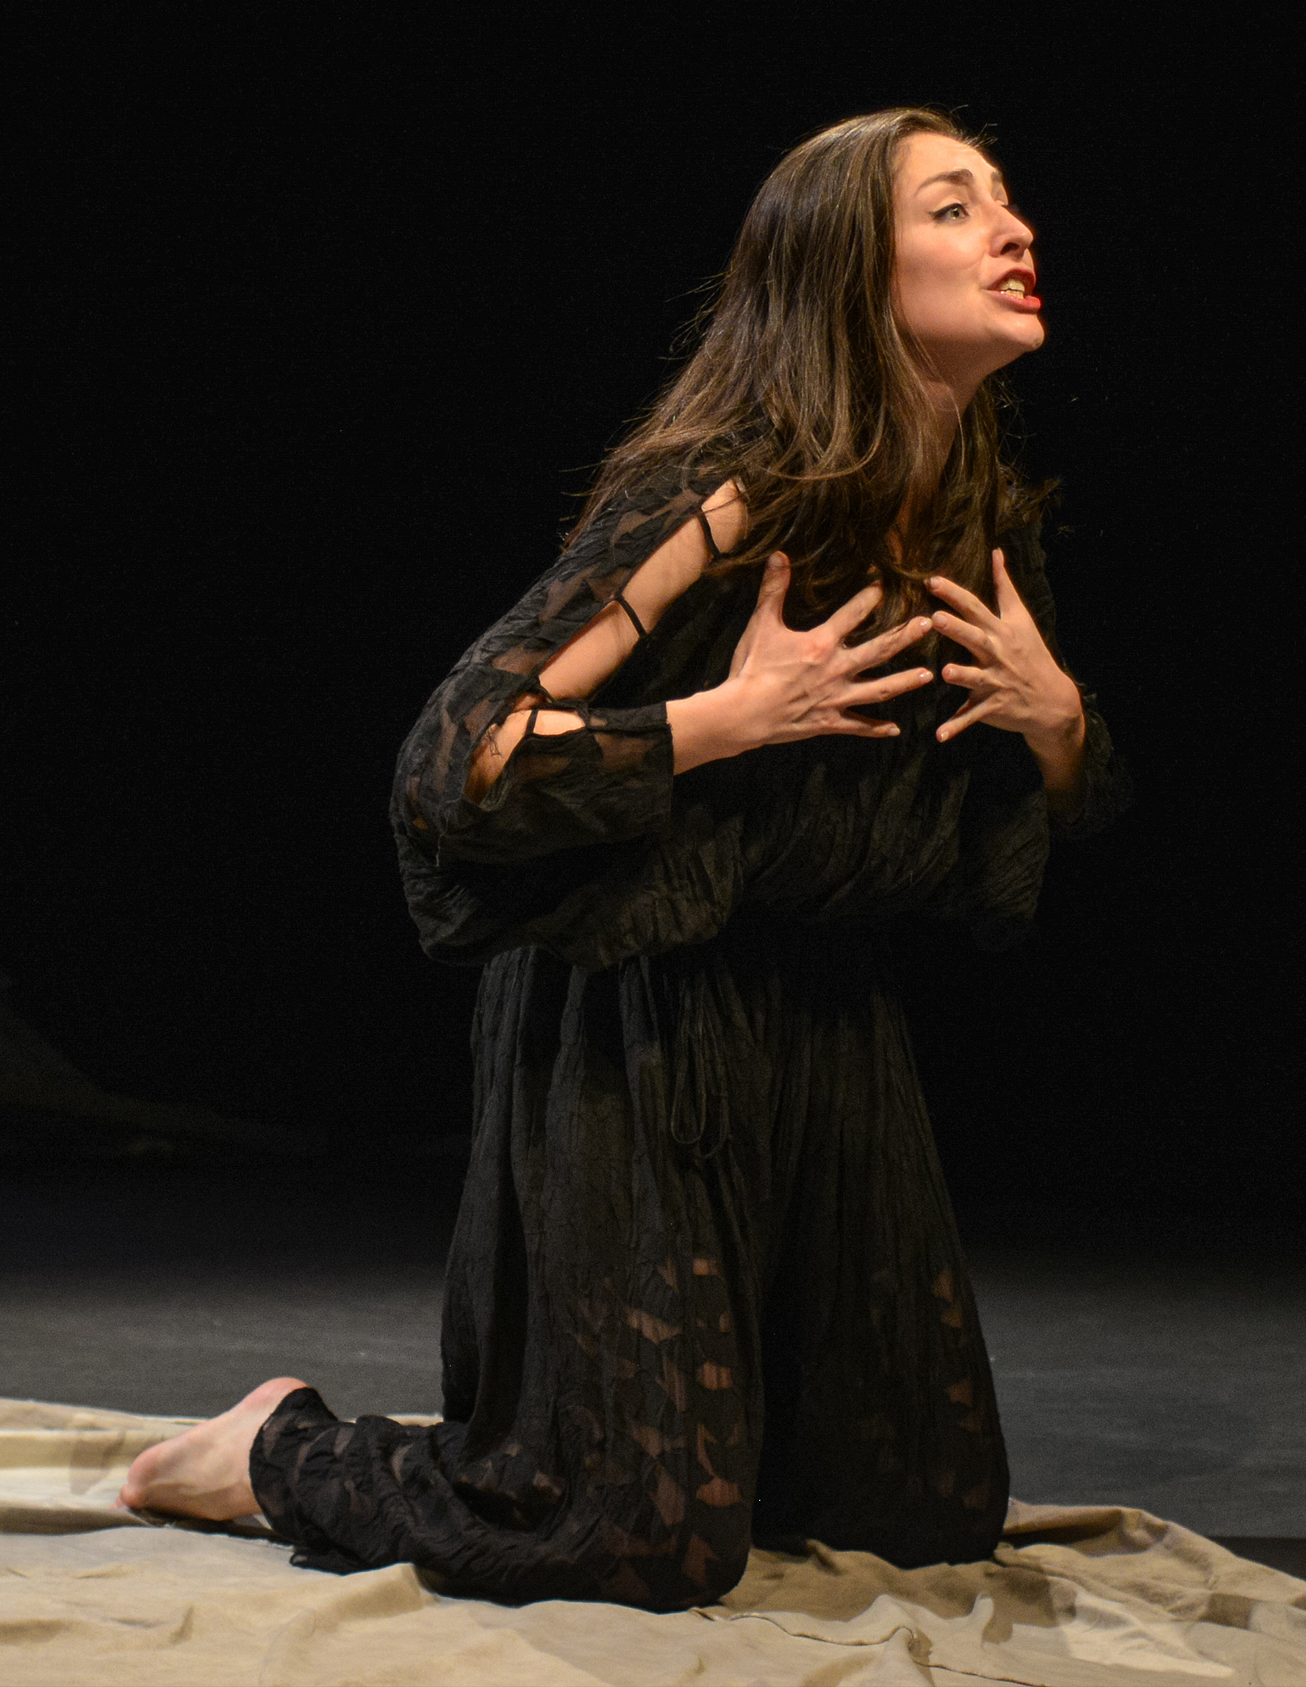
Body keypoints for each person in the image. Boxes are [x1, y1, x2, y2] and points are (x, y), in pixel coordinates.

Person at [121, 107, 1128, 1608]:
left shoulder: (974, 523)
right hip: (638, 1012)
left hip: (828, 1022)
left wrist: (1059, 727)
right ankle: (275, 1448)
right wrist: (722, 720)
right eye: (951, 206)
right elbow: (459, 759)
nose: (1012, 229)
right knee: (626, 1536)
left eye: (1003, 198)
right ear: (846, 272)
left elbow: (1051, 820)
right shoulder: (727, 495)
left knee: (921, 1515)